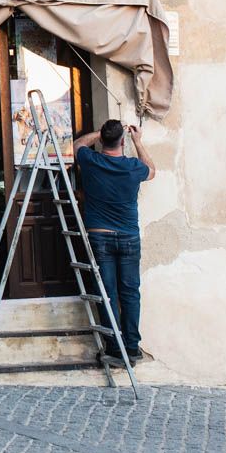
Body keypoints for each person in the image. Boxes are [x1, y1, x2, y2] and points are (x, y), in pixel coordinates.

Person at [72, 119, 155, 363]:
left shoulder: (91, 160)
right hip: (128, 236)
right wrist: (138, 141)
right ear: (122, 141)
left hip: (100, 236)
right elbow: (151, 170)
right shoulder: (132, 167)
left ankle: (114, 348)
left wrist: (99, 133)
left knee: (106, 292)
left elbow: (77, 145)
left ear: (102, 140)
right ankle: (131, 346)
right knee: (130, 293)